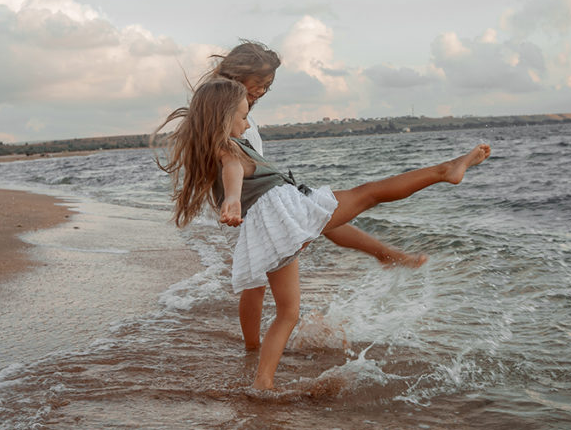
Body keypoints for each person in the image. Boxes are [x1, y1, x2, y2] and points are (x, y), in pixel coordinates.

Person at [155, 78, 491, 390]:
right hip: (282, 214)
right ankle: (444, 171)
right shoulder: (227, 147)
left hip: (272, 226)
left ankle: (264, 382)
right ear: (222, 117)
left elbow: (233, 172)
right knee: (368, 194)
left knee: (288, 312)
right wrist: (231, 198)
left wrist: (233, 200)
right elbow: (232, 171)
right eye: (243, 117)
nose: (247, 124)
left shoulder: (217, 146)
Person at [199, 41, 426, 354]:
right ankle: (252, 348)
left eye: (268, 87)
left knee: (320, 217)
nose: (262, 92)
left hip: (260, 193)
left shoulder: (232, 110)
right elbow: (231, 165)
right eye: (259, 84)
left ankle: (384, 254)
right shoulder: (222, 112)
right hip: (249, 201)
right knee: (258, 280)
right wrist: (235, 198)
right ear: (238, 75)